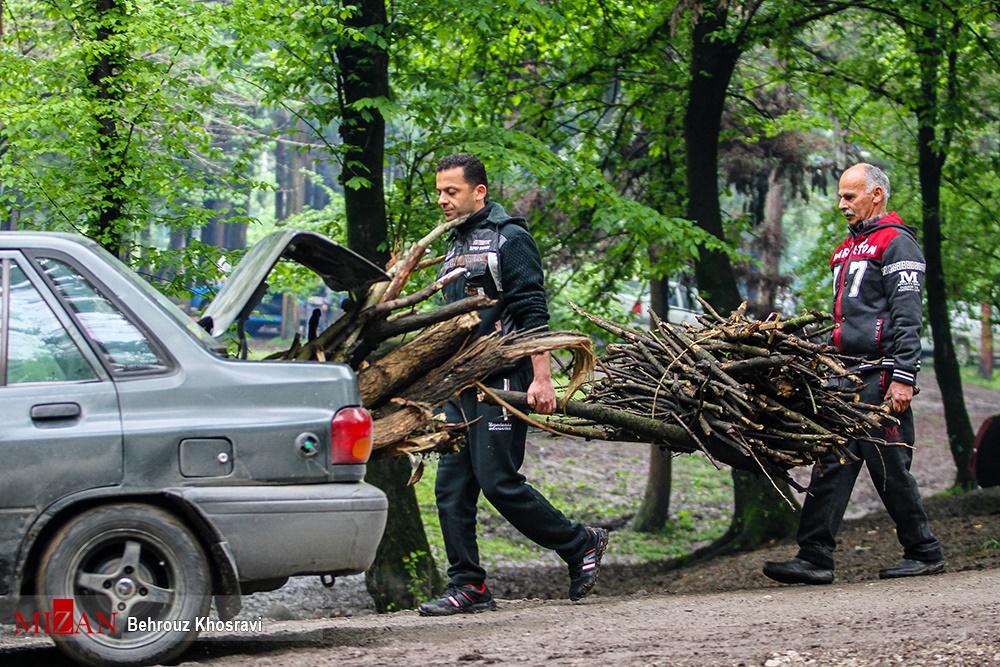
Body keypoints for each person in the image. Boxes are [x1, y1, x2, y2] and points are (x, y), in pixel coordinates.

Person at [418, 153, 608, 616]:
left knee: (497, 480)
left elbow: (531, 310)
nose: (442, 200)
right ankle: (469, 586)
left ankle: (579, 542)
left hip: (504, 377)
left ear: (479, 192)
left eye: (452, 191)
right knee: (451, 487)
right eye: (439, 191)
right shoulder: (454, 243)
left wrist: (541, 377)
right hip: (460, 383)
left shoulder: (511, 238)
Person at [763, 163, 944, 585]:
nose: (841, 203)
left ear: (876, 194)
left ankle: (924, 551)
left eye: (850, 196)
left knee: (889, 466)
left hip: (880, 377)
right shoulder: (845, 249)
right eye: (841, 196)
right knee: (832, 462)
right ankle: (814, 557)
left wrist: (903, 376)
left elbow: (907, 316)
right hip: (844, 376)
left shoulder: (898, 245)